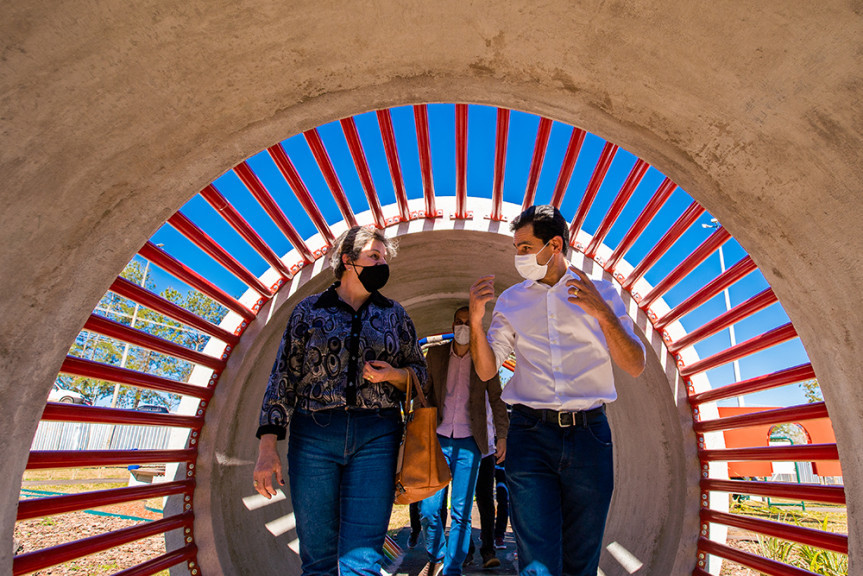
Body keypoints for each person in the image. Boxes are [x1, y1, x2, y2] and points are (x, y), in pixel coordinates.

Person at [469, 205, 646, 576]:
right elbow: (487, 369)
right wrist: (475, 321)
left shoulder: (602, 294)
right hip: (530, 435)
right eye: (516, 248)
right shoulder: (512, 301)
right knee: (537, 562)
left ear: (554, 245)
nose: (518, 256)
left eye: (524, 247)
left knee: (581, 557)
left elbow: (634, 364)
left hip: (590, 436)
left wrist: (602, 313)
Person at [253, 226, 428, 576]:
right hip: (313, 435)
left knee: (362, 560)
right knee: (317, 558)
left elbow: (420, 375)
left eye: (384, 258)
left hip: (377, 435)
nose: (382, 263)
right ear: (348, 260)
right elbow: (283, 376)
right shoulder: (310, 311)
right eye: (374, 256)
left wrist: (392, 375)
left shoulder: (394, 316)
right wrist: (268, 446)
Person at [419, 306, 509, 576]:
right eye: (459, 322)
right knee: (428, 508)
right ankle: (438, 555)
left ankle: (452, 569)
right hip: (438, 439)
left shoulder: (484, 359)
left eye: (468, 323)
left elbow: (496, 398)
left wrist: (501, 434)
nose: (462, 328)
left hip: (470, 442)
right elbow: (424, 394)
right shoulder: (435, 355)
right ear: (452, 323)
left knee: (461, 512)